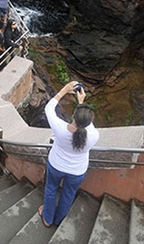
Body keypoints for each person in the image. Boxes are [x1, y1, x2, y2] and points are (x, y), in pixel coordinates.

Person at [38, 81, 99, 227]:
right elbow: (84, 123)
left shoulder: (60, 127)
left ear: (73, 115)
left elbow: (49, 108)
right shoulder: (93, 135)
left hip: (56, 165)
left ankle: (47, 218)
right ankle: (59, 220)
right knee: (68, 194)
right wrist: (81, 102)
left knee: (51, 189)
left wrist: (63, 91)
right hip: (77, 171)